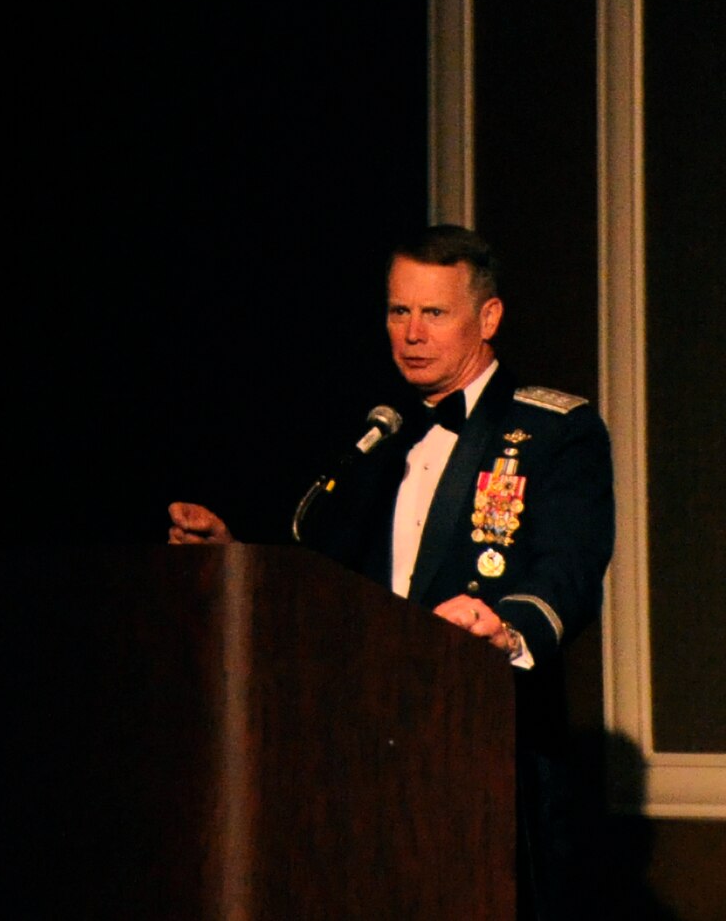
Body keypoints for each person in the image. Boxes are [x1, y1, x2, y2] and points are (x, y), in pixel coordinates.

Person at [167, 225, 613, 919]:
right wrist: (234, 557)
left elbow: (572, 566)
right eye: (398, 311)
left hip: (485, 751)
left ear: (487, 318)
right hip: (362, 753)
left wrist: (505, 624)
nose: (410, 332)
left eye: (434, 312)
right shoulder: (378, 435)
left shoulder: (556, 430)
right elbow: (324, 574)